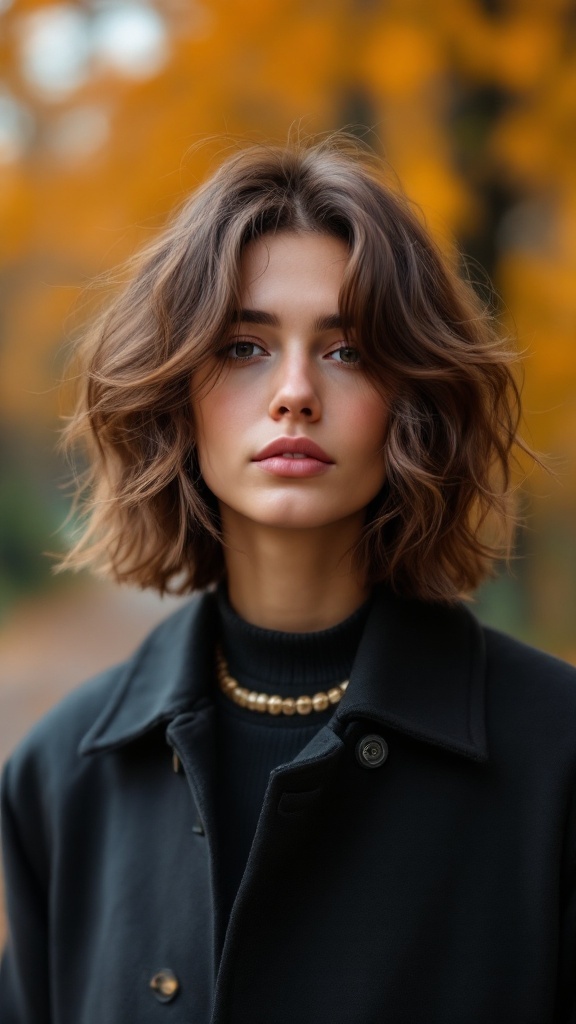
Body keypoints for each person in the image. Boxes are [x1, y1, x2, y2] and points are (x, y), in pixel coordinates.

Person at [1, 136, 575, 1024]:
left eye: (346, 351)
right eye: (242, 347)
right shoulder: (59, 777)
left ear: (413, 401)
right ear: (175, 398)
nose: (295, 392)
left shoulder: (559, 756)